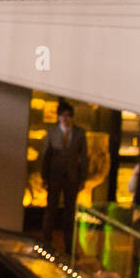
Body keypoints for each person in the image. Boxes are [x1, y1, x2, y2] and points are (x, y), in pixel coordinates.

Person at [41, 101, 88, 256]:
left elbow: (83, 157)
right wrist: (44, 176)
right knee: (51, 209)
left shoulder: (80, 133)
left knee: (70, 212)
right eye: (63, 116)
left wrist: (82, 178)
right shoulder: (52, 132)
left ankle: (69, 246)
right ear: (59, 117)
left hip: (71, 177)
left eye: (68, 116)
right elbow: (46, 156)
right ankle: (46, 241)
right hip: (55, 176)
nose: (65, 119)